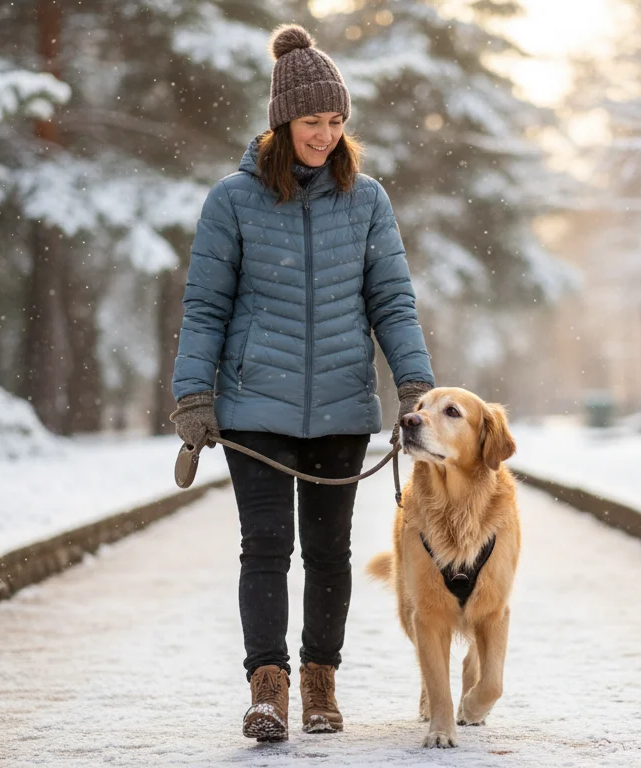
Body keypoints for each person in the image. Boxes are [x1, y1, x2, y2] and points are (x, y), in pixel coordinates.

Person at [168, 24, 434, 742]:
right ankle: (267, 688)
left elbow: (393, 303)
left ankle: (321, 683)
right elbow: (206, 306)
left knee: (329, 551)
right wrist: (194, 394)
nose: (326, 134)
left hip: (344, 406)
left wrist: (415, 386)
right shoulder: (233, 200)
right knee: (265, 548)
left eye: (337, 121)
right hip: (256, 405)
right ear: (283, 121)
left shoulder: (367, 199)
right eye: (314, 121)